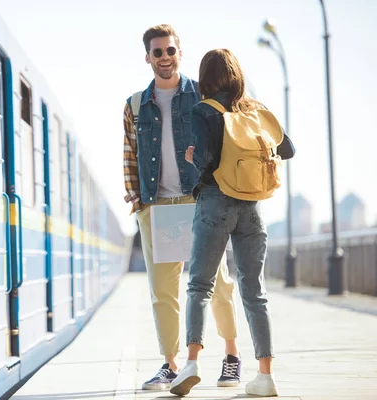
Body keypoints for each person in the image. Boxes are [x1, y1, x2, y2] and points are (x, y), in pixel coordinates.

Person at [169, 48, 295, 397]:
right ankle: (265, 375)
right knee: (254, 291)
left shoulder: (204, 110)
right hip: (252, 208)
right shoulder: (255, 110)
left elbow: (208, 160)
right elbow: (288, 150)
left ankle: (191, 364)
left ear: (206, 78)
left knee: (199, 286)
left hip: (215, 203)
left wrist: (194, 158)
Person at [123, 25, 242, 391]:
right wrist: (137, 198)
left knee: (217, 283)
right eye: (157, 52)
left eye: (170, 51)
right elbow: (130, 152)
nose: (164, 58)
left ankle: (232, 356)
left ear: (180, 53)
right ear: (147, 57)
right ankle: (171, 364)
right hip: (157, 205)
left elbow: (226, 140)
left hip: (199, 199)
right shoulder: (134, 104)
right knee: (163, 292)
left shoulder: (201, 96)